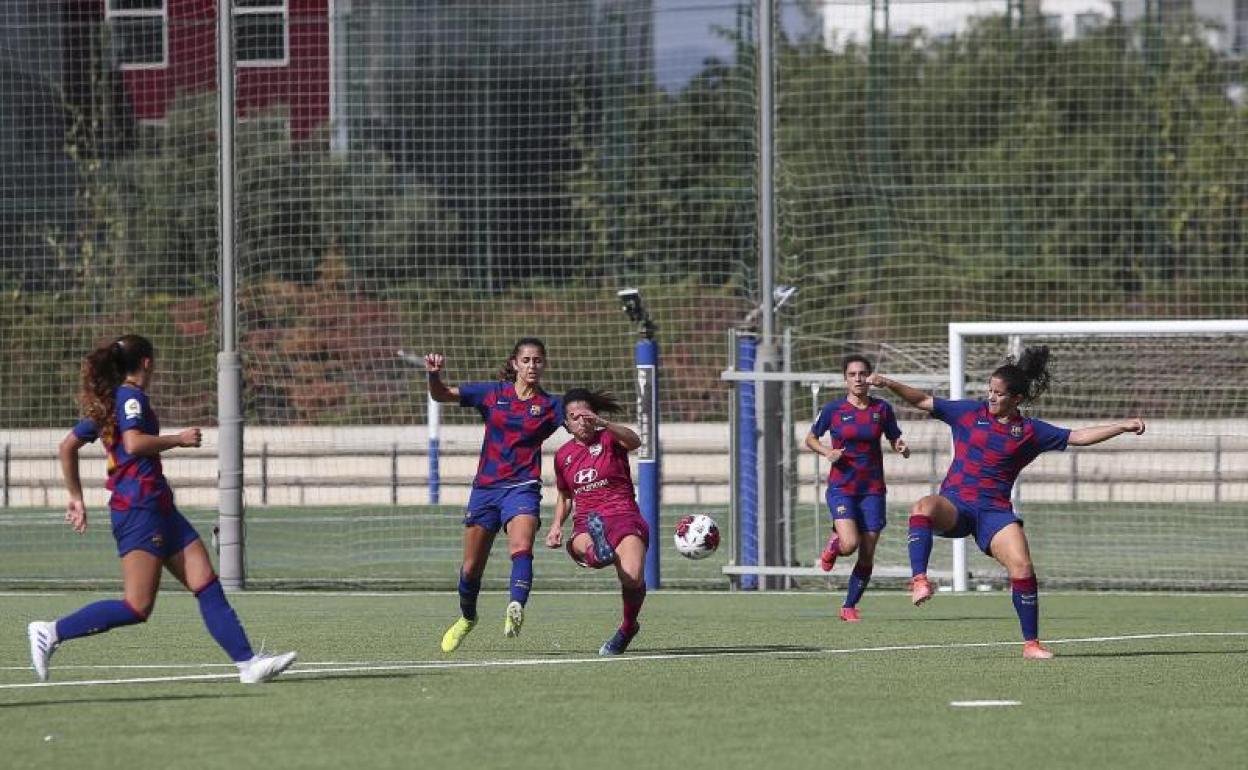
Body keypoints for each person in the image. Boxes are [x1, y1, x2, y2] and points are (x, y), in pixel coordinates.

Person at [27, 335, 297, 683]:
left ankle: (248, 664)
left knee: (206, 583)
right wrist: (178, 439)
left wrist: (76, 496)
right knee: (137, 607)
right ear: (148, 363)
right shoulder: (129, 397)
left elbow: (68, 446)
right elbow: (134, 443)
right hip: (139, 509)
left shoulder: (113, 402)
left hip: (160, 507)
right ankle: (50, 632)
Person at [869, 346, 1145, 659]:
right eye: (990, 390)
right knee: (923, 507)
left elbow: (1078, 436)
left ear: (1016, 399)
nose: (991, 397)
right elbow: (922, 400)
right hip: (956, 504)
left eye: (999, 394)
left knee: (1023, 566)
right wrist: (889, 384)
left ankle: (1031, 644)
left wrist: (1121, 426)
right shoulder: (968, 413)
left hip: (995, 513)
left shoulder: (1030, 431)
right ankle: (919, 580)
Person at [426, 338, 564, 652]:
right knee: (472, 568)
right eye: (526, 360)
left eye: (538, 361)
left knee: (522, 547)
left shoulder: (550, 405)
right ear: (515, 364)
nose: (532, 366)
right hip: (486, 490)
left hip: (523, 488)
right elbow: (441, 394)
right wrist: (433, 375)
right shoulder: (492, 393)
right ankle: (467, 618)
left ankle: (516, 606)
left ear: (544, 365)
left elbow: (580, 426)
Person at [805, 354, 909, 622]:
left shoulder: (882, 409)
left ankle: (849, 606)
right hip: (842, 487)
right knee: (849, 544)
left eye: (863, 374)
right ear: (845, 379)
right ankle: (834, 544)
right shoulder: (833, 410)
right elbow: (810, 438)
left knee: (867, 552)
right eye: (852, 374)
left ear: (870, 377)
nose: (858, 379)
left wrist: (900, 445)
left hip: (873, 489)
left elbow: (894, 436)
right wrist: (827, 452)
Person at [544, 389, 648, 655]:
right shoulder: (563, 456)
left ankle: (627, 628)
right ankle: (598, 551)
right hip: (587, 522)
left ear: (595, 416)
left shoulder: (610, 438)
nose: (581, 421)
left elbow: (635, 441)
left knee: (633, 578)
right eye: (574, 417)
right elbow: (566, 495)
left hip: (624, 515)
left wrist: (605, 424)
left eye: (586, 415)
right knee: (589, 545)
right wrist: (556, 525)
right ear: (566, 424)